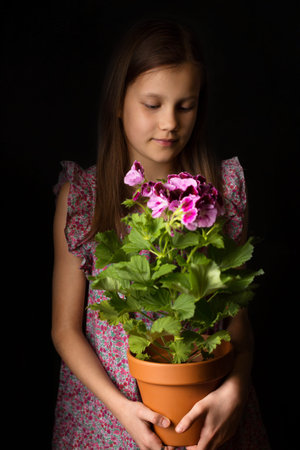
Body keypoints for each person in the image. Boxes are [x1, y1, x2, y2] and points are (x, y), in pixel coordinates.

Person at [52, 19, 270, 449]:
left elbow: (237, 329)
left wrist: (236, 391)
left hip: (209, 418)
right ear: (118, 103)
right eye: (152, 104)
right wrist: (124, 412)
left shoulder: (219, 191)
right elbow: (64, 329)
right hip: (109, 419)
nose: (170, 122)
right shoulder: (83, 198)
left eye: (185, 105)